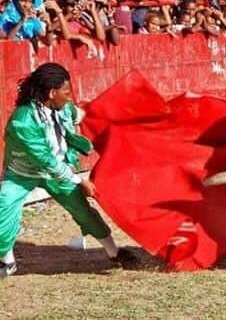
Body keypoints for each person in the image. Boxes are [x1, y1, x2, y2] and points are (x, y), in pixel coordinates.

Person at [0, 63, 138, 278]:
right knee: (3, 210)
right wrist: (78, 180)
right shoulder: (23, 122)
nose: (69, 96)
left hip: (54, 169)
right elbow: (47, 161)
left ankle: (114, 252)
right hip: (21, 174)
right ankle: (6, 262)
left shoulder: (63, 108)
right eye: (66, 91)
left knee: (83, 211)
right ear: (51, 93)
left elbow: (83, 115)